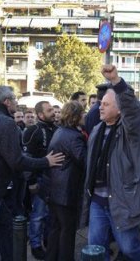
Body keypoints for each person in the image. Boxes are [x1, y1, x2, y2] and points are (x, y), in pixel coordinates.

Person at [0, 86, 64, 261]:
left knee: (6, 232)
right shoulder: (6, 123)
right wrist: (46, 161)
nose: (17, 102)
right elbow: (17, 162)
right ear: (6, 102)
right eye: (15, 99)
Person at [81, 65, 140, 261]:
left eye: (106, 104)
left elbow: (132, 110)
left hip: (121, 201)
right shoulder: (97, 130)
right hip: (98, 201)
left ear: (118, 109)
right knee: (96, 247)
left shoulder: (129, 130)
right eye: (101, 103)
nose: (100, 107)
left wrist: (116, 81)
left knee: (129, 247)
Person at [46, 101, 87, 261]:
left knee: (56, 229)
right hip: (66, 191)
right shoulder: (73, 136)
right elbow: (84, 161)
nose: (85, 115)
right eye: (82, 113)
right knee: (67, 231)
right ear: (75, 116)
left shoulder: (60, 131)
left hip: (55, 189)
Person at [23, 101, 57, 260]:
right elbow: (27, 160)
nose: (53, 112)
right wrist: (31, 182)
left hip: (55, 180)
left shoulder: (56, 128)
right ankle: (35, 245)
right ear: (41, 114)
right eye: (49, 110)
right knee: (38, 215)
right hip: (39, 179)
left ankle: (47, 240)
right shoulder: (32, 131)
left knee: (50, 214)